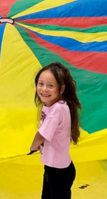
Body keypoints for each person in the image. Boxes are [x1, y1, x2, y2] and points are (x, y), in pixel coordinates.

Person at [29, 62, 81, 199]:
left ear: (61, 89)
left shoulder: (57, 109)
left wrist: (33, 147)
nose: (44, 89)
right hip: (53, 166)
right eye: (41, 84)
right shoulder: (53, 105)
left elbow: (41, 135)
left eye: (50, 86)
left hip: (58, 171)